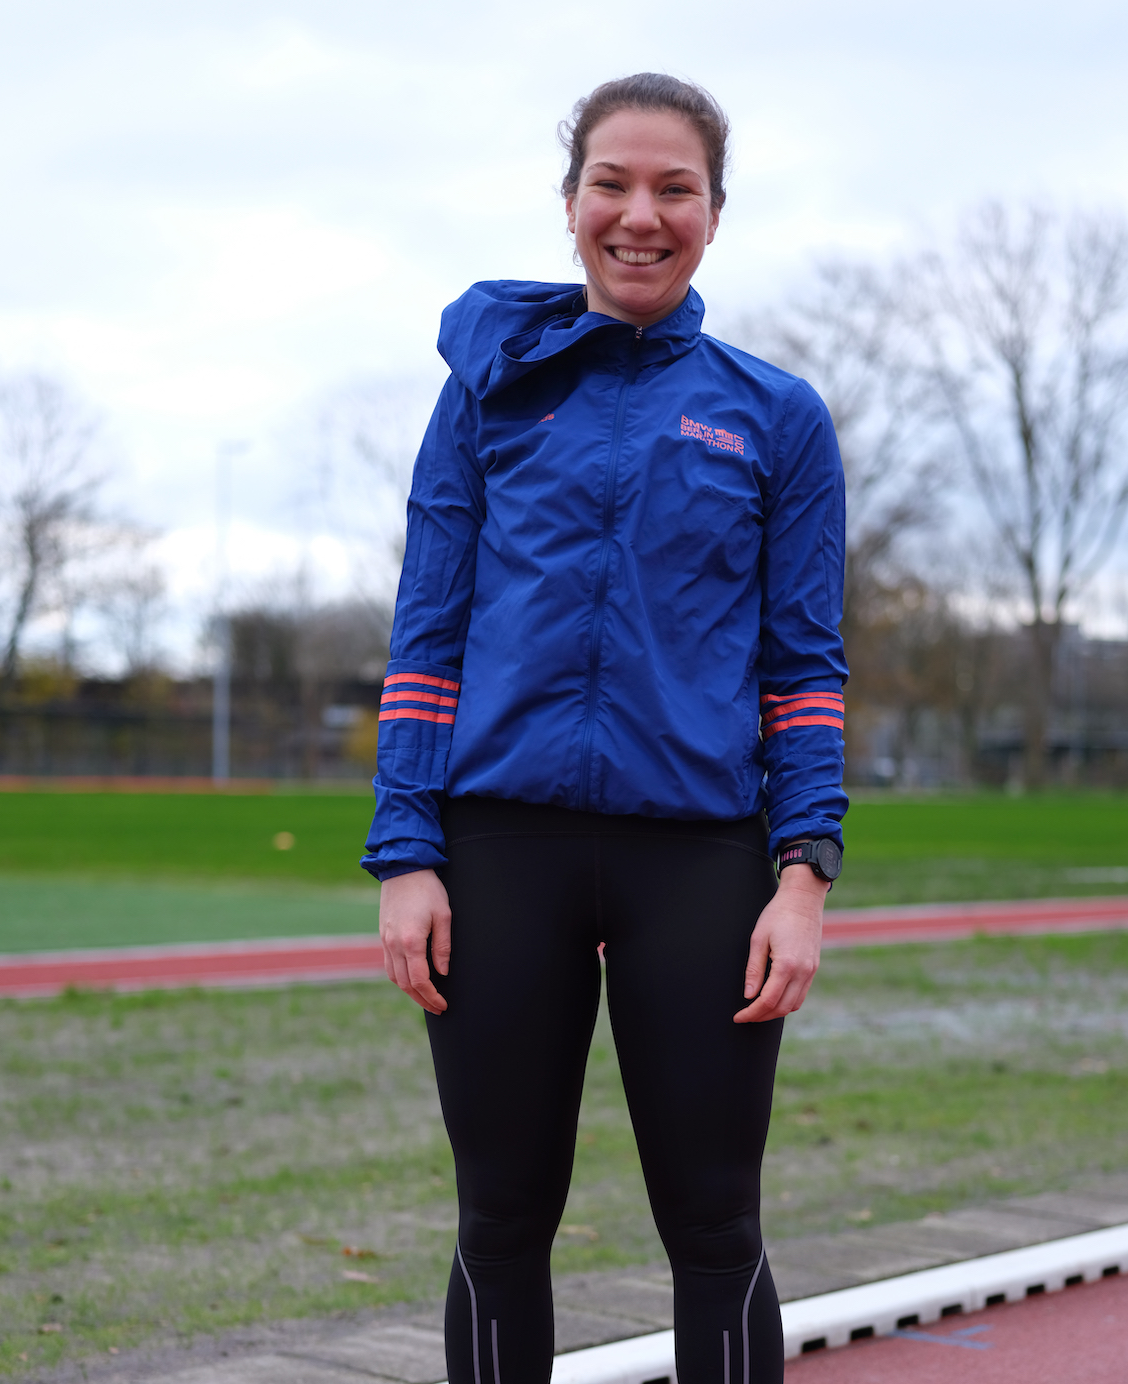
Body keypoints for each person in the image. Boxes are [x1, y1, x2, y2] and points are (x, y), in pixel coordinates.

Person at [362, 73, 847, 1384]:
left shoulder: (779, 419)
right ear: (570, 204)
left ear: (714, 213)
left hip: (700, 860)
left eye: (672, 188)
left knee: (714, 1224)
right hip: (496, 849)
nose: (640, 215)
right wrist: (407, 849)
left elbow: (803, 668)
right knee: (502, 1218)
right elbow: (429, 631)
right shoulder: (487, 393)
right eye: (612, 184)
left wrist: (802, 875)